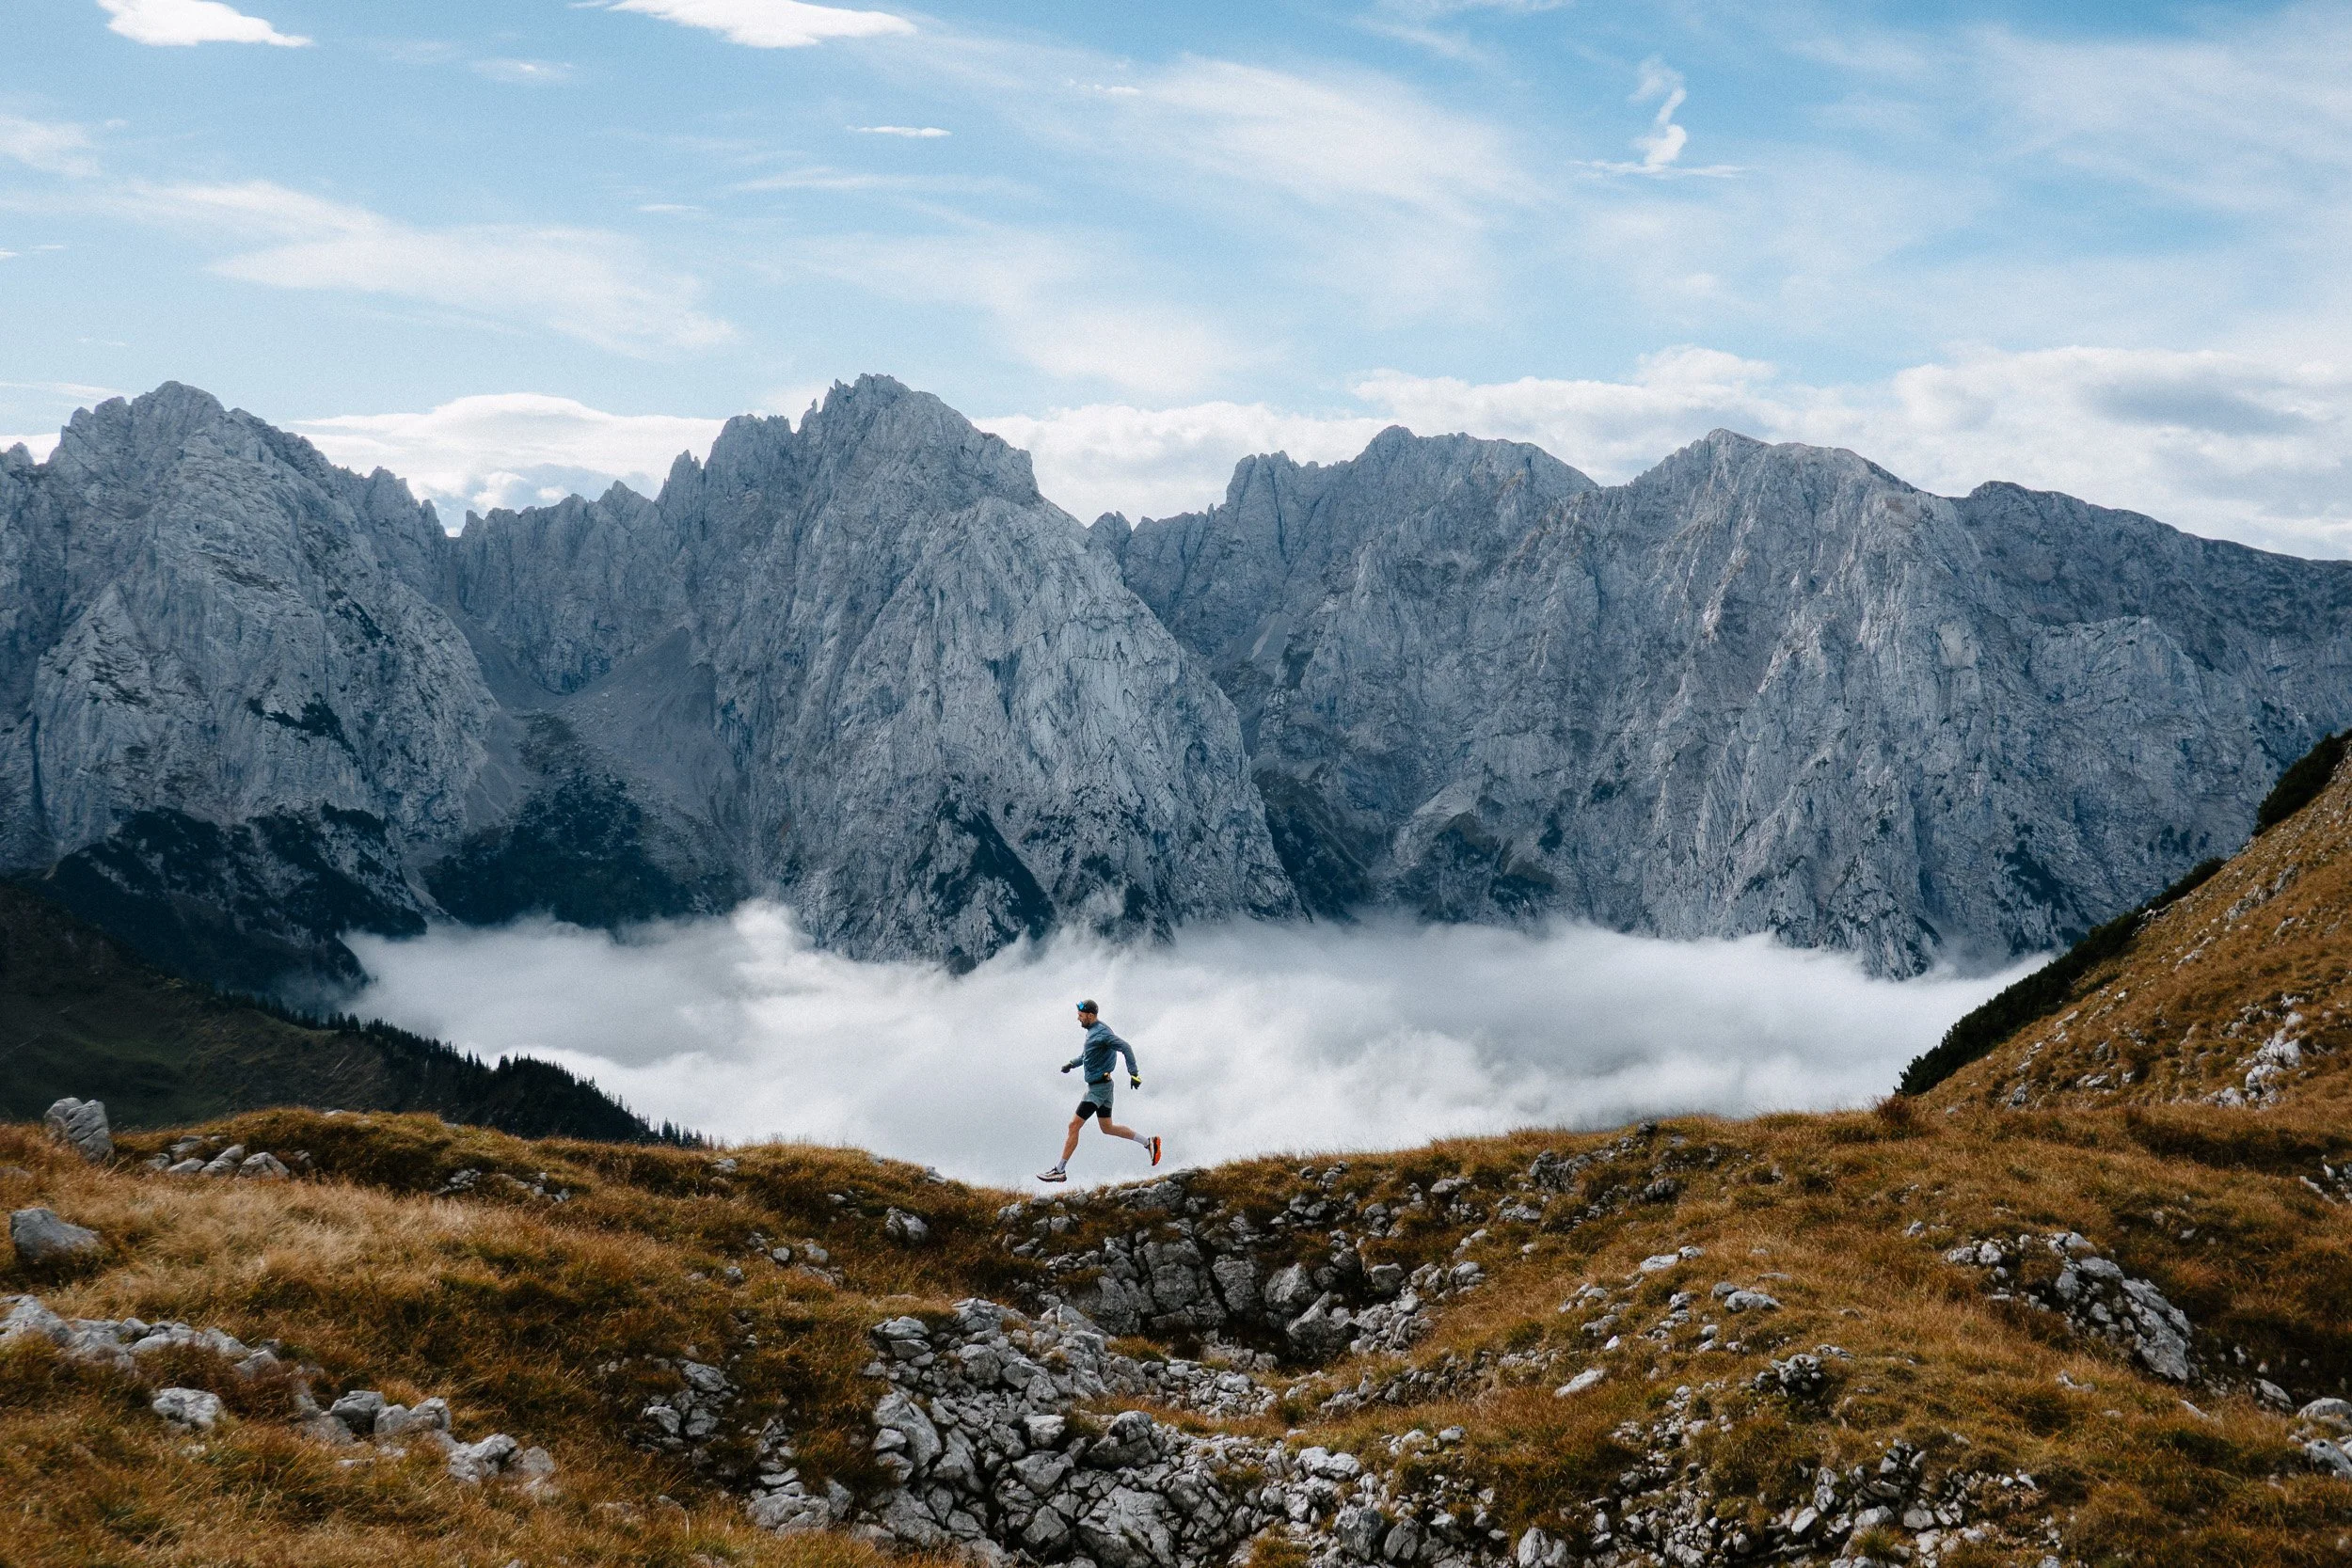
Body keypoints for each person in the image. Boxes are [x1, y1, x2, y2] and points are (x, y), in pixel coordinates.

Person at [1038, 999, 1161, 1182]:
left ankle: (1060, 1170)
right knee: (1107, 1127)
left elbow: (1125, 1047)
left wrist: (1134, 1073)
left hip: (1098, 1089)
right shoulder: (1092, 1032)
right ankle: (1148, 1142)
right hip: (1102, 1086)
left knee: (1073, 1125)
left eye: (1080, 1016)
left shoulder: (1101, 1033)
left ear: (1090, 1015)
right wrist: (1072, 1064)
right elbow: (1087, 1056)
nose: (1078, 1019)